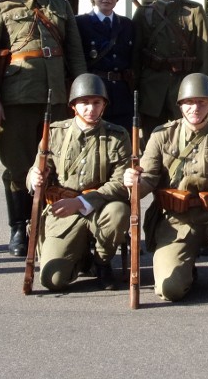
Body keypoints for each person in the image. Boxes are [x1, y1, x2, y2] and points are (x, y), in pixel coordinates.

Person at [0, 0, 86, 257]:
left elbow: (75, 54)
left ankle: (45, 225)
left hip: (56, 99)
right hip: (16, 99)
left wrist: (79, 95)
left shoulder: (61, 6)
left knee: (54, 165)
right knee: (17, 165)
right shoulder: (0, 8)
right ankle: (18, 227)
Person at [128, 73, 208, 303]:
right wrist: (134, 182)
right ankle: (187, 271)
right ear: (180, 105)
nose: (194, 108)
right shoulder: (161, 135)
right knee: (170, 290)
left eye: (201, 102)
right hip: (176, 220)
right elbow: (148, 180)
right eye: (189, 102)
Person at [26, 74, 131, 291]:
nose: (90, 108)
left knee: (119, 212)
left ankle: (102, 263)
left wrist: (83, 202)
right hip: (63, 209)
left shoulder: (117, 136)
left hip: (101, 206)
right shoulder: (55, 133)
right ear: (73, 105)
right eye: (84, 103)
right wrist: (34, 178)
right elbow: (38, 170)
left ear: (104, 105)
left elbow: (120, 183)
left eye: (96, 103)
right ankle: (83, 259)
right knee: (52, 280)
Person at [132, 0, 208, 138]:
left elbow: (204, 54)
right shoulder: (143, 14)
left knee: (188, 138)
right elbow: (135, 57)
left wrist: (204, 93)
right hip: (152, 88)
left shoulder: (194, 11)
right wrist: (134, 91)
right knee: (153, 141)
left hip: (186, 88)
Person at [75, 0, 136, 133]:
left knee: (123, 142)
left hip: (122, 96)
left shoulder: (127, 25)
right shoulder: (80, 24)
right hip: (92, 95)